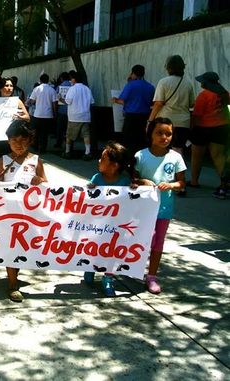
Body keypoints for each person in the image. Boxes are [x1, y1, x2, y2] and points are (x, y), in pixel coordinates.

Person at [0, 119, 48, 302]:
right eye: (14, 141)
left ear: (30, 141)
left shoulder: (36, 160)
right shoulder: (4, 160)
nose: (19, 145)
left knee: (23, 246)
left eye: (23, 141)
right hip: (9, 212)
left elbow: (46, 184)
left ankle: (15, 272)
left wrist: (39, 181)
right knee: (10, 246)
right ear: (8, 141)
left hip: (29, 214)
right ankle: (12, 283)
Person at [133, 117, 186, 294]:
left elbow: (181, 183)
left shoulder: (176, 157)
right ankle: (132, 268)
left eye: (168, 134)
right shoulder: (140, 156)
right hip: (142, 209)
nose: (164, 137)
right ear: (150, 134)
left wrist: (170, 185)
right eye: (160, 133)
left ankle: (152, 275)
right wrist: (142, 181)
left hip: (164, 210)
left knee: (158, 242)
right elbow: (131, 180)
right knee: (141, 239)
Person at [83, 141, 133, 297]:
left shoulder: (125, 181)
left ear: (114, 165)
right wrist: (89, 188)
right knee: (95, 249)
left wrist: (137, 190)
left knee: (112, 253)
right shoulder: (97, 178)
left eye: (103, 158)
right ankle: (90, 268)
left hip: (117, 226)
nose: (99, 161)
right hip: (98, 225)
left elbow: (132, 200)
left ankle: (108, 278)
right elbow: (87, 195)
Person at [148, 55, 194, 196]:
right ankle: (180, 184)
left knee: (162, 150)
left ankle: (165, 179)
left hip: (167, 122)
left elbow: (158, 103)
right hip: (184, 121)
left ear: (169, 67)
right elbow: (192, 104)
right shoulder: (188, 83)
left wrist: (150, 120)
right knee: (178, 151)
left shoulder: (164, 82)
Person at [189, 72, 230, 199]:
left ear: (206, 83)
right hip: (221, 128)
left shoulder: (204, 95)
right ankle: (225, 184)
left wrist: (192, 129)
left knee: (196, 155)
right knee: (219, 157)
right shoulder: (225, 93)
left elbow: (197, 115)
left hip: (203, 128)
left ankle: (194, 181)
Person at [0, 77, 30, 179]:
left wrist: (21, 117)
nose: (9, 88)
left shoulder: (17, 102)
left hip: (12, 139)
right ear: (0, 88)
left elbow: (27, 117)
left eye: (11, 86)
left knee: (11, 164)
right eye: (6, 85)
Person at [111, 64, 155, 155]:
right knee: (142, 139)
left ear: (133, 73)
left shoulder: (130, 85)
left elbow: (122, 100)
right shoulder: (150, 87)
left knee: (128, 140)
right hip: (145, 116)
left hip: (131, 116)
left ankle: (129, 158)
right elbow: (152, 102)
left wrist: (114, 100)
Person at [62, 70, 95, 160]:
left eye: (71, 79)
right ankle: (87, 152)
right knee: (86, 135)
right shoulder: (87, 89)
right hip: (85, 116)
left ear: (74, 80)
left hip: (74, 116)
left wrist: (60, 99)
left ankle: (67, 151)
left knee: (69, 135)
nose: (70, 81)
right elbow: (92, 101)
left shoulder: (72, 89)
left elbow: (68, 101)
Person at [27, 73, 57, 153]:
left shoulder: (36, 89)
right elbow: (54, 104)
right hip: (48, 114)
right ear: (48, 80)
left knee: (36, 131)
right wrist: (54, 114)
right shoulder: (52, 90)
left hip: (37, 114)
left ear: (40, 80)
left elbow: (32, 101)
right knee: (45, 133)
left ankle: (35, 146)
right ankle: (43, 148)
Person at [55, 72, 72, 149]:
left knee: (60, 129)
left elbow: (55, 98)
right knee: (69, 129)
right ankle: (69, 144)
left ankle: (59, 143)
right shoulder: (72, 86)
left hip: (61, 110)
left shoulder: (59, 86)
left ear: (61, 78)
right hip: (71, 111)